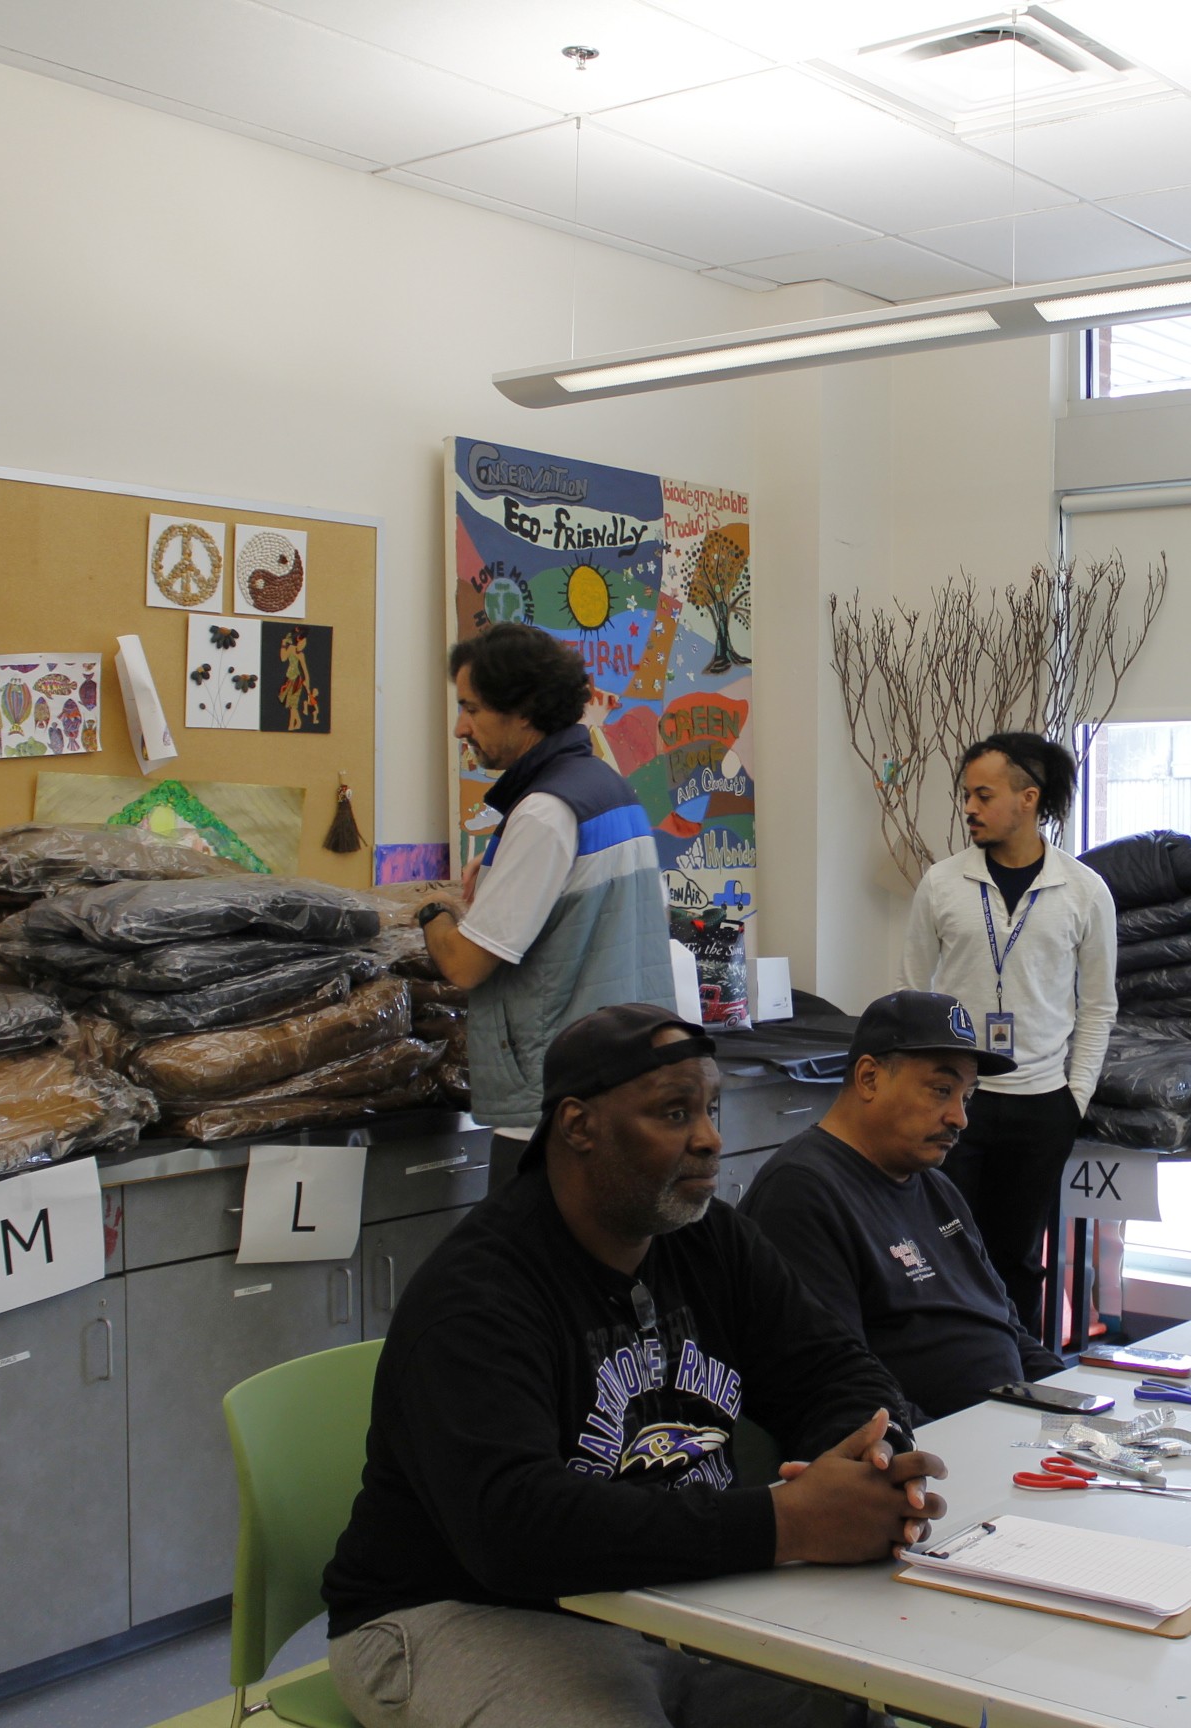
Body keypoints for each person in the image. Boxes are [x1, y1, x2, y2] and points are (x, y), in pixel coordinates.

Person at [321, 1003, 949, 1728]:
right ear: (579, 1126)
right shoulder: (479, 1295)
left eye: (712, 1108)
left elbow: (832, 1366)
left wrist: (871, 1458)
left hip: (663, 1594)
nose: (711, 1139)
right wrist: (785, 1525)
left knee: (854, 1713)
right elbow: (512, 1529)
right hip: (455, 1610)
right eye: (675, 1113)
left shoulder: (708, 1238)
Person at [740, 990, 1065, 1424]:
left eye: (966, 1096)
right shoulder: (802, 1193)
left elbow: (1008, 1328)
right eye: (941, 1090)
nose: (960, 1118)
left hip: (1004, 1434)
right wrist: (961, 1449)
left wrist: (1075, 1406)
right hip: (929, 1458)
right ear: (870, 1078)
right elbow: (838, 1386)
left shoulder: (937, 1188)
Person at [419, 623, 677, 1134]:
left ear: (524, 709)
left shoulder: (544, 812)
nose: (460, 729)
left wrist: (433, 912)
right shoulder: (608, 790)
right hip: (618, 1084)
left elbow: (465, 965)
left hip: (553, 1106)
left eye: (471, 709)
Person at [900, 732, 1118, 1336]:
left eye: (983, 794)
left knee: (1018, 1259)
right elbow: (912, 995)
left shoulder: (1083, 890)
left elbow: (1099, 1006)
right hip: (955, 1104)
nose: (969, 807)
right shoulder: (942, 884)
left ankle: (1016, 1373)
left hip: (1042, 1106)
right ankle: (951, 1377)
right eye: (966, 794)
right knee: (943, 1252)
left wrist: (1073, 1100)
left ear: (1028, 798)